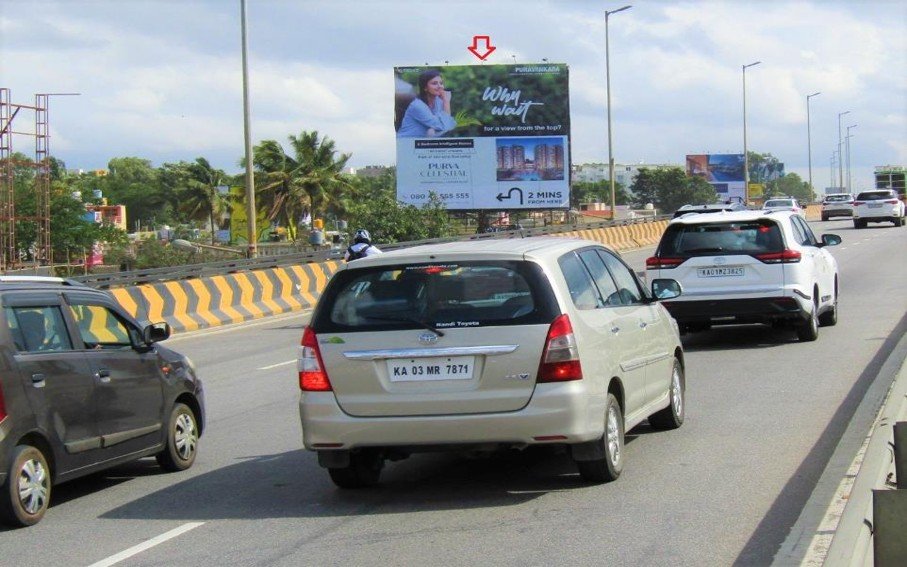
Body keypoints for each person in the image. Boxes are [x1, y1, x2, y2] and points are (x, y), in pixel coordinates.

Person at [396, 69, 457, 138]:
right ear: (425, 88)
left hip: (421, 143)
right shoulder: (417, 106)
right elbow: (444, 126)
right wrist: (446, 101)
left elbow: (447, 125)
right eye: (434, 83)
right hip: (406, 142)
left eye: (441, 83)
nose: (440, 86)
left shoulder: (438, 101)